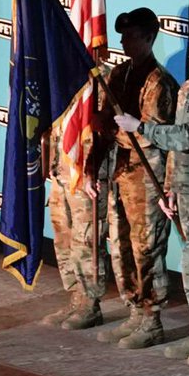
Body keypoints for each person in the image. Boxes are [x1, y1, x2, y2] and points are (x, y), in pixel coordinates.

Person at [115, 24, 189, 365]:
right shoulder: (187, 88)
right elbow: (177, 154)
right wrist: (168, 187)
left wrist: (140, 127)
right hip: (185, 189)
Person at [93, 7, 178, 348]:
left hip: (147, 176)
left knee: (147, 248)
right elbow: (104, 118)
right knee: (122, 245)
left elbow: (151, 133)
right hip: (119, 171)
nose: (124, 41)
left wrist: (114, 130)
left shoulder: (159, 80)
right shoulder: (119, 74)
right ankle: (133, 308)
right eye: (122, 36)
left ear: (149, 37)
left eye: (131, 36)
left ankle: (152, 317)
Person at [44, 99, 112, 330]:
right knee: (63, 238)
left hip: (85, 176)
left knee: (86, 241)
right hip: (62, 172)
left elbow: (105, 130)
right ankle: (75, 296)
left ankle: (89, 303)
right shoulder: (60, 81)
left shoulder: (97, 81)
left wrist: (93, 170)